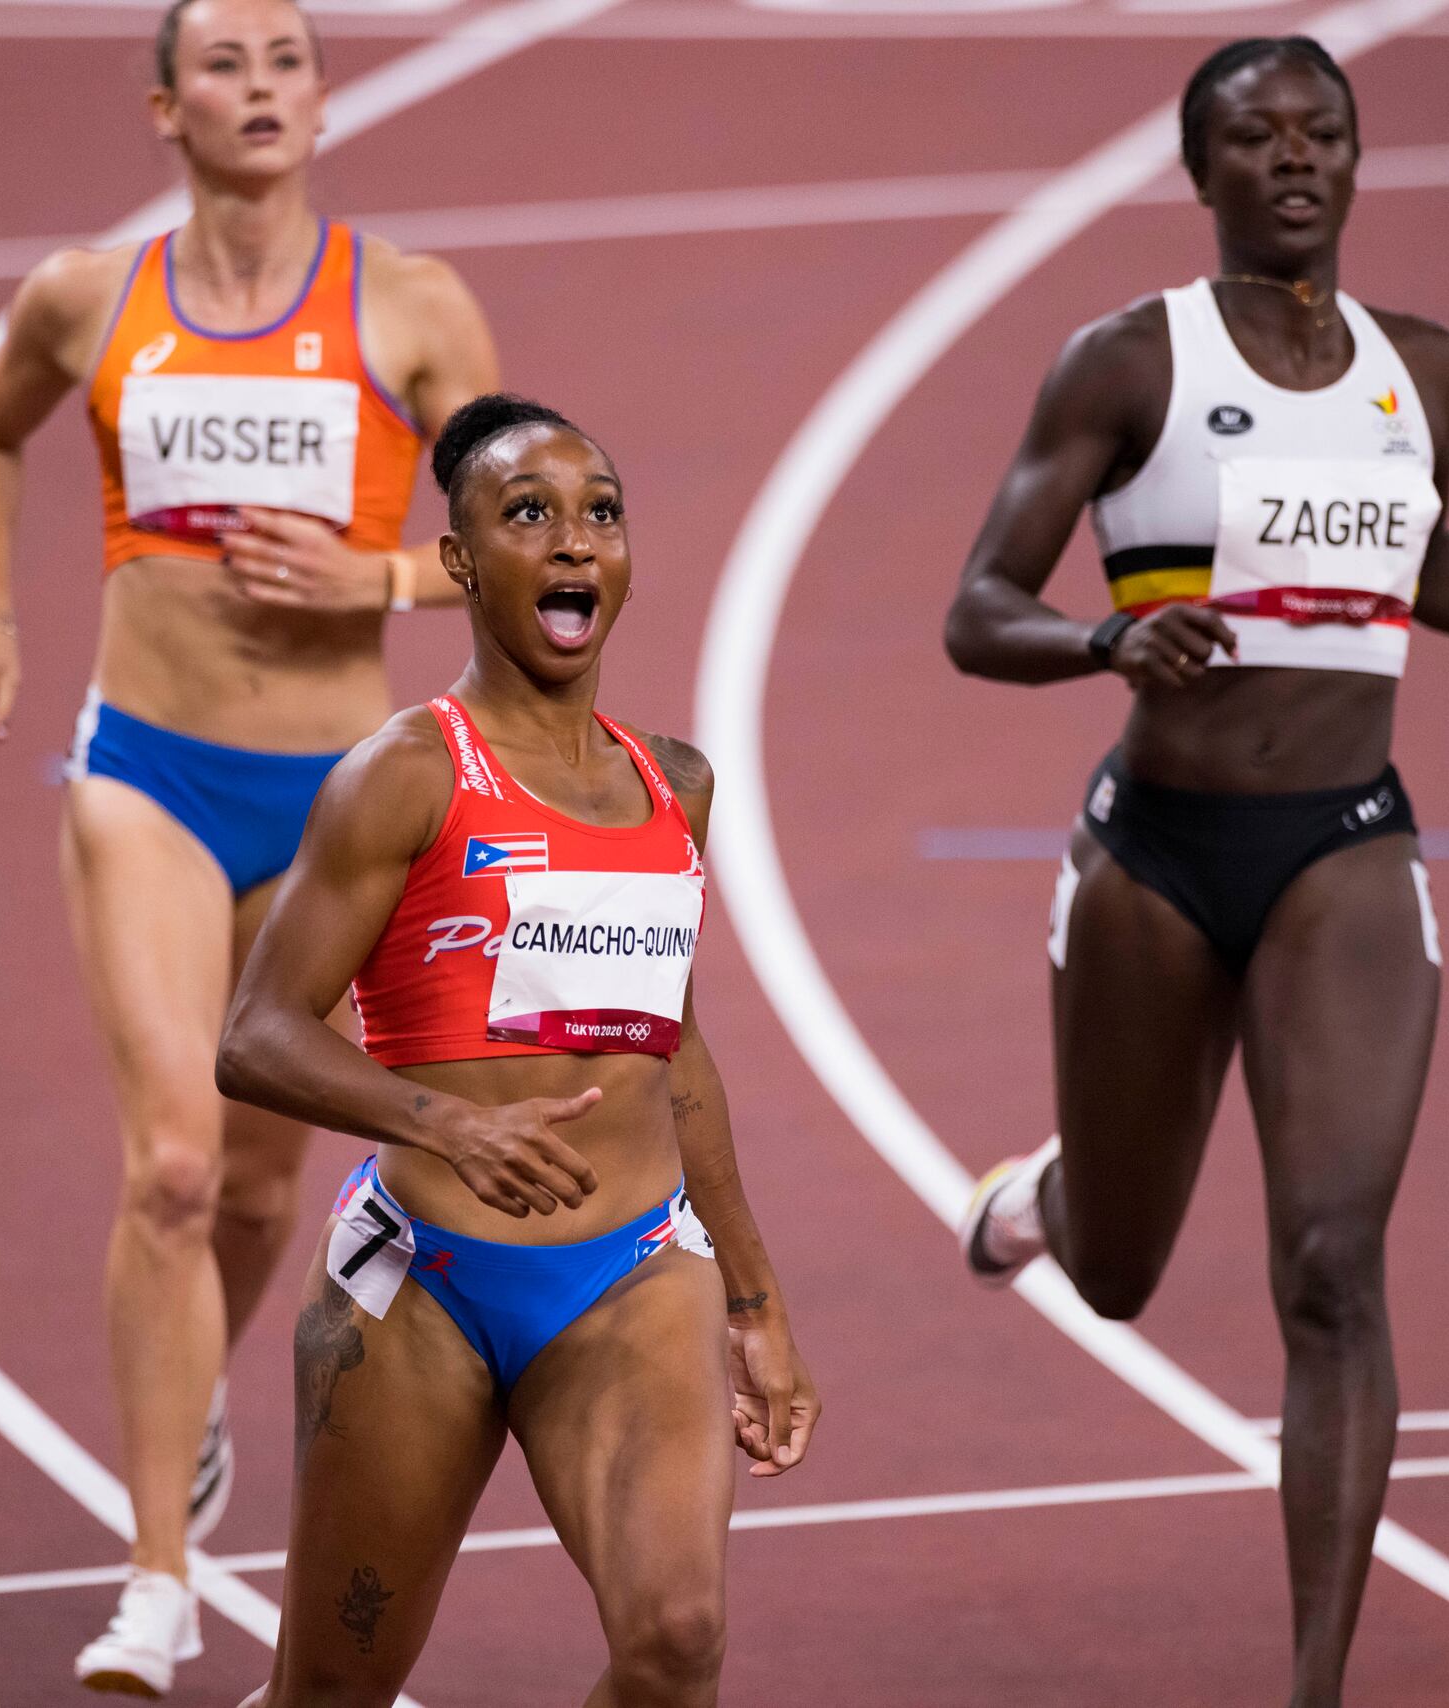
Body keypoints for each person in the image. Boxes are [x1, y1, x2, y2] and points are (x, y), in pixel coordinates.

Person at [946, 36, 1449, 1706]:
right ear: (1198, 167)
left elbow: (1416, 548)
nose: (1295, 160)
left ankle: (1313, 1686)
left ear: (1359, 162)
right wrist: (1104, 636)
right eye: (1256, 137)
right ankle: (1057, 1195)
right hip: (1153, 855)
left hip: (1345, 848)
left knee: (1330, 1266)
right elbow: (976, 608)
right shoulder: (1128, 361)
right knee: (1128, 1274)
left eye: (1325, 133)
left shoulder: (1419, 365)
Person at [0, 0, 499, 1690]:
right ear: (165, 106)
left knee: (252, 1180)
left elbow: (524, 524)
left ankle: (193, 1402)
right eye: (222, 65)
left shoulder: (412, 304)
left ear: (322, 98)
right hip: (145, 773)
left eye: (286, 60)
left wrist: (374, 579)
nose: (258, 88)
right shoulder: (92, 296)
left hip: (332, 805)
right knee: (168, 1165)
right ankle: (155, 1579)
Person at [215, 394, 819, 1708]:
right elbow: (254, 1035)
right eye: (526, 515)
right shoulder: (405, 773)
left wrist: (758, 1308)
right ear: (458, 564)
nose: (570, 544)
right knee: (329, 1692)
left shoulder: (678, 783)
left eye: (598, 514)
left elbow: (680, 1053)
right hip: (422, 1288)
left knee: (673, 1651)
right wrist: (444, 1125)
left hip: (635, 1279)